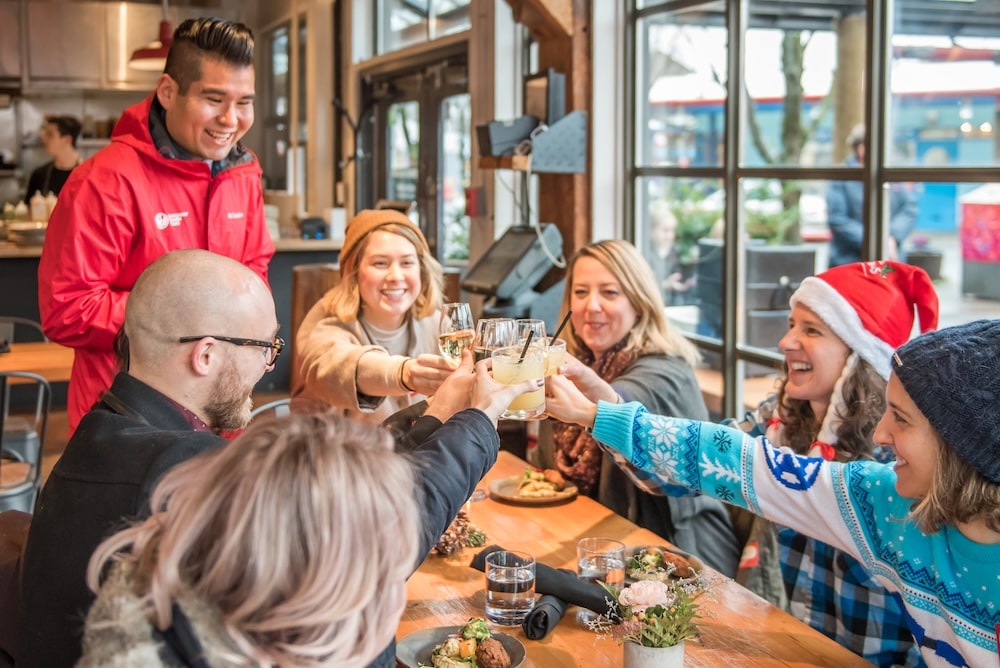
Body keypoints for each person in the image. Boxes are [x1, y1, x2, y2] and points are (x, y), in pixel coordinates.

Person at [20, 249, 537, 668]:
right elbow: (372, 545)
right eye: (265, 347)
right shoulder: (184, 469)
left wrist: (441, 410)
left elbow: (345, 498)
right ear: (205, 355)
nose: (269, 366)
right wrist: (481, 420)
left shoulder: (108, 431)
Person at [548, 319, 1000, 668]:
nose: (882, 434)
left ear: (963, 442)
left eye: (901, 419)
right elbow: (743, 464)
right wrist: (599, 414)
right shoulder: (885, 501)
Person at [75, 393, 524, 667]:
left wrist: (449, 410)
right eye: (383, 570)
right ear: (325, 595)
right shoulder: (337, 636)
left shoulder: (170, 595)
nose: (393, 587)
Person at [37, 17, 275, 436]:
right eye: (214, 98)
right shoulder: (105, 181)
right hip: (126, 422)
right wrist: (190, 321)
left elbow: (253, 270)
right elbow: (67, 308)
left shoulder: (244, 173)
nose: (230, 119)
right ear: (168, 91)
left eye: (244, 102)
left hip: (220, 418)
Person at [725, 260, 938, 666]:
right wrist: (603, 409)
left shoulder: (898, 455)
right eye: (791, 325)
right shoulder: (779, 419)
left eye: (811, 330)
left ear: (860, 355)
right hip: (785, 648)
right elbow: (695, 466)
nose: (786, 342)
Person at [532, 239, 740, 576]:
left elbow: (622, 402)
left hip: (681, 557)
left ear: (639, 302)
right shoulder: (573, 362)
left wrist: (590, 401)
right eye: (581, 292)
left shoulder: (664, 369)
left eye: (610, 293)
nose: (592, 306)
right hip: (593, 540)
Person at [294, 208, 454, 425]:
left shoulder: (437, 324)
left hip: (417, 456)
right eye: (380, 263)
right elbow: (333, 368)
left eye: (407, 262)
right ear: (354, 271)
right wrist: (403, 374)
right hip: (338, 454)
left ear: (422, 271)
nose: (395, 276)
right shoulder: (327, 323)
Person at [826, 123, 918, 267]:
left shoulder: (889, 173)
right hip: (849, 262)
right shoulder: (841, 178)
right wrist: (876, 240)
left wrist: (891, 236)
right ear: (861, 148)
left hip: (889, 262)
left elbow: (909, 208)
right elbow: (837, 218)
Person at [23, 115, 82, 201]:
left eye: (50, 135)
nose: (43, 138)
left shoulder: (87, 174)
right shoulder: (39, 175)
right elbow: (28, 210)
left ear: (67, 140)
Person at [645, 205, 694, 306]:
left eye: (672, 231)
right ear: (651, 231)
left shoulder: (672, 251)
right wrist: (665, 285)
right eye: (665, 230)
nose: (669, 236)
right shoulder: (645, 253)